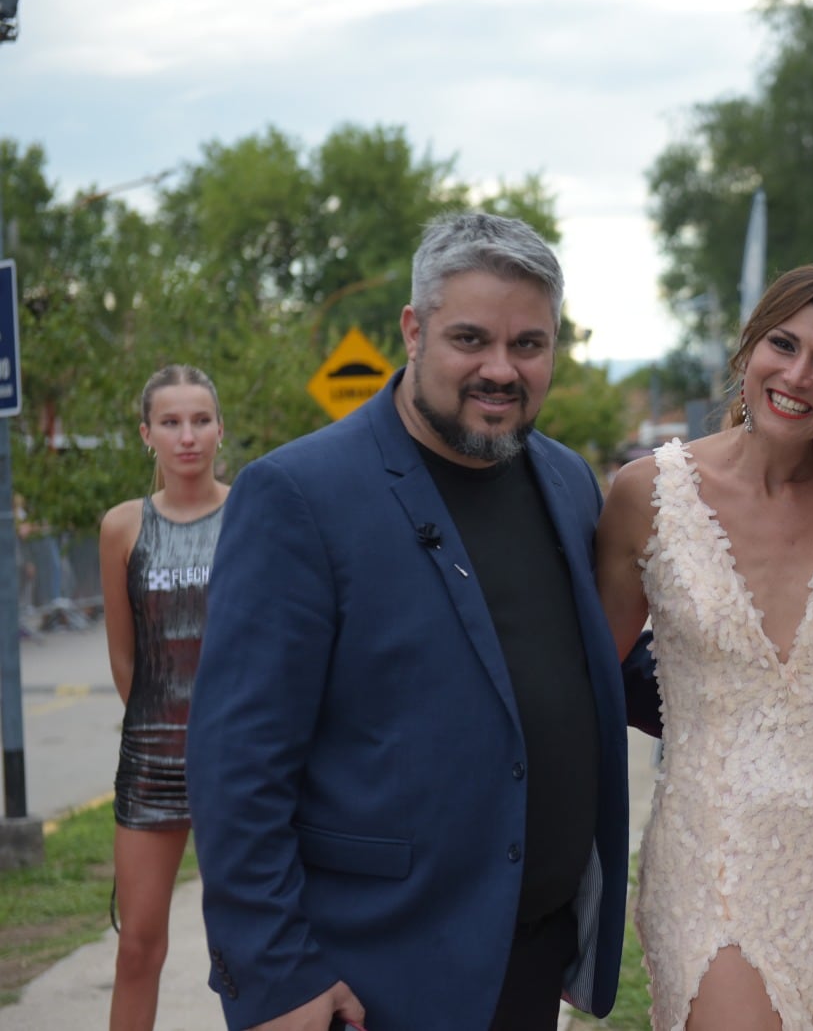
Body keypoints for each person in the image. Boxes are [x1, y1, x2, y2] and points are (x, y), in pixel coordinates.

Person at [186, 212, 658, 1031]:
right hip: (369, 981)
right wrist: (275, 977)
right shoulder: (298, 495)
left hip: (529, 958)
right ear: (413, 329)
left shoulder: (567, 479)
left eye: (529, 345)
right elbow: (237, 766)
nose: (500, 370)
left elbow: (590, 665)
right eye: (470, 340)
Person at [596, 263, 813, 1029]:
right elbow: (584, 687)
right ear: (746, 348)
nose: (797, 375)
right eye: (781, 345)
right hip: (712, 855)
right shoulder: (645, 494)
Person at [98, 364, 229, 1031]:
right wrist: (163, 729)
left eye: (200, 420)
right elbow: (125, 658)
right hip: (152, 758)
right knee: (139, 945)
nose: (187, 436)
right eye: (172, 423)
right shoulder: (122, 527)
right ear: (146, 433)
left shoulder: (251, 513)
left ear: (219, 429)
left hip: (240, 761)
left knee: (254, 946)